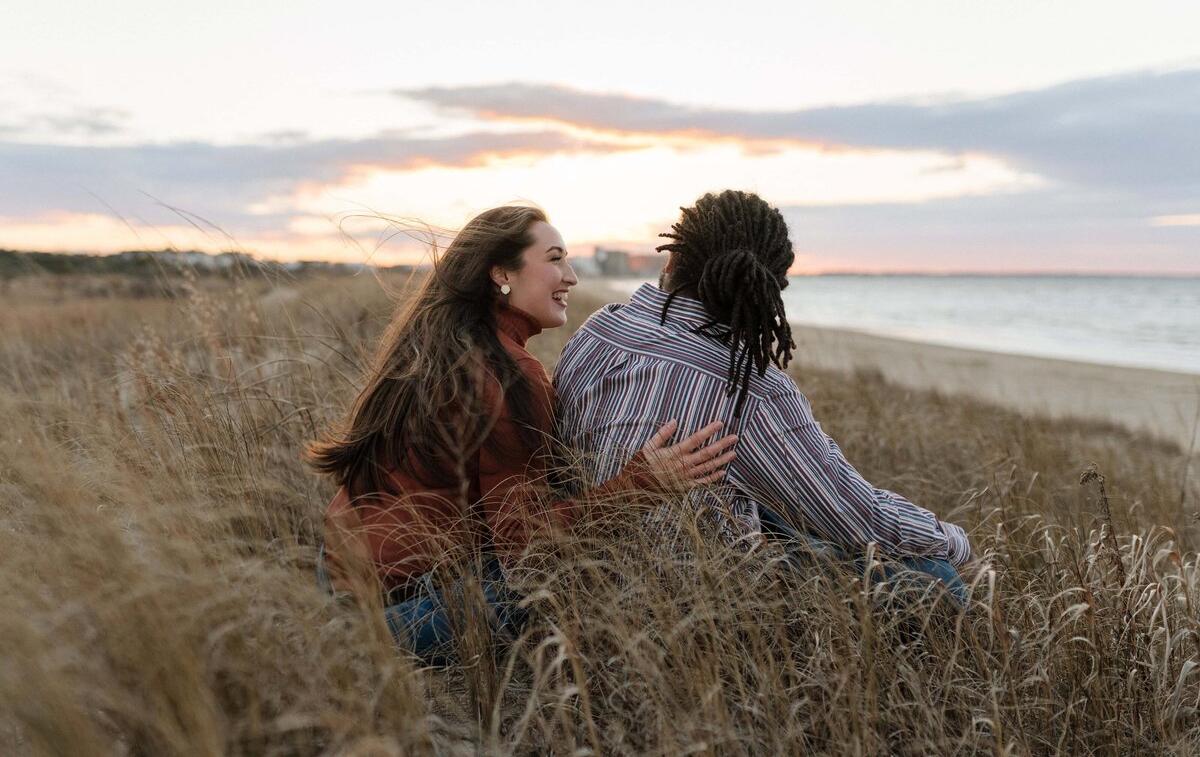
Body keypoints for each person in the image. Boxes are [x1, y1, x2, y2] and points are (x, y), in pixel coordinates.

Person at [306, 205, 738, 658]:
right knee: (552, 587)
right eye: (554, 259)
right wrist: (639, 486)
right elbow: (525, 547)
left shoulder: (435, 345)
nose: (571, 276)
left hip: (335, 573)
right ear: (501, 274)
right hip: (388, 614)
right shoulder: (509, 374)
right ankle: (347, 650)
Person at [553, 190, 972, 604]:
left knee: (773, 508)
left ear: (673, 258)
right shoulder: (751, 386)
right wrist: (958, 544)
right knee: (936, 580)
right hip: (694, 601)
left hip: (577, 570)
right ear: (766, 290)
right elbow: (859, 518)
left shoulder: (599, 329)